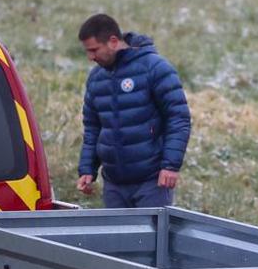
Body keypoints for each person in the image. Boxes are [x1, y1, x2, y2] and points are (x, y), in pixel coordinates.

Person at [76, 13, 192, 208]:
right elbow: (92, 128)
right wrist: (87, 168)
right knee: (118, 239)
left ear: (113, 41)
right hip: (113, 184)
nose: (90, 57)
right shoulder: (96, 79)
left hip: (152, 183)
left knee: (153, 239)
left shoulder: (155, 68)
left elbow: (178, 118)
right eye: (87, 52)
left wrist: (170, 166)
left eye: (94, 50)